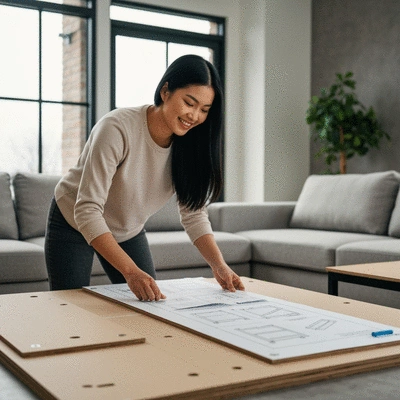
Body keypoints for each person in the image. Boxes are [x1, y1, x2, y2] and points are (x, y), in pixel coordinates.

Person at [45, 54, 245, 301]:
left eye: (204, 110)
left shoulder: (189, 144)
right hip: (73, 221)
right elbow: (86, 210)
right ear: (165, 91)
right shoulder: (116, 128)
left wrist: (218, 265)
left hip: (127, 229)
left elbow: (193, 214)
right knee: (69, 307)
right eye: (189, 103)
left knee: (150, 303)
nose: (194, 116)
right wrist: (130, 272)